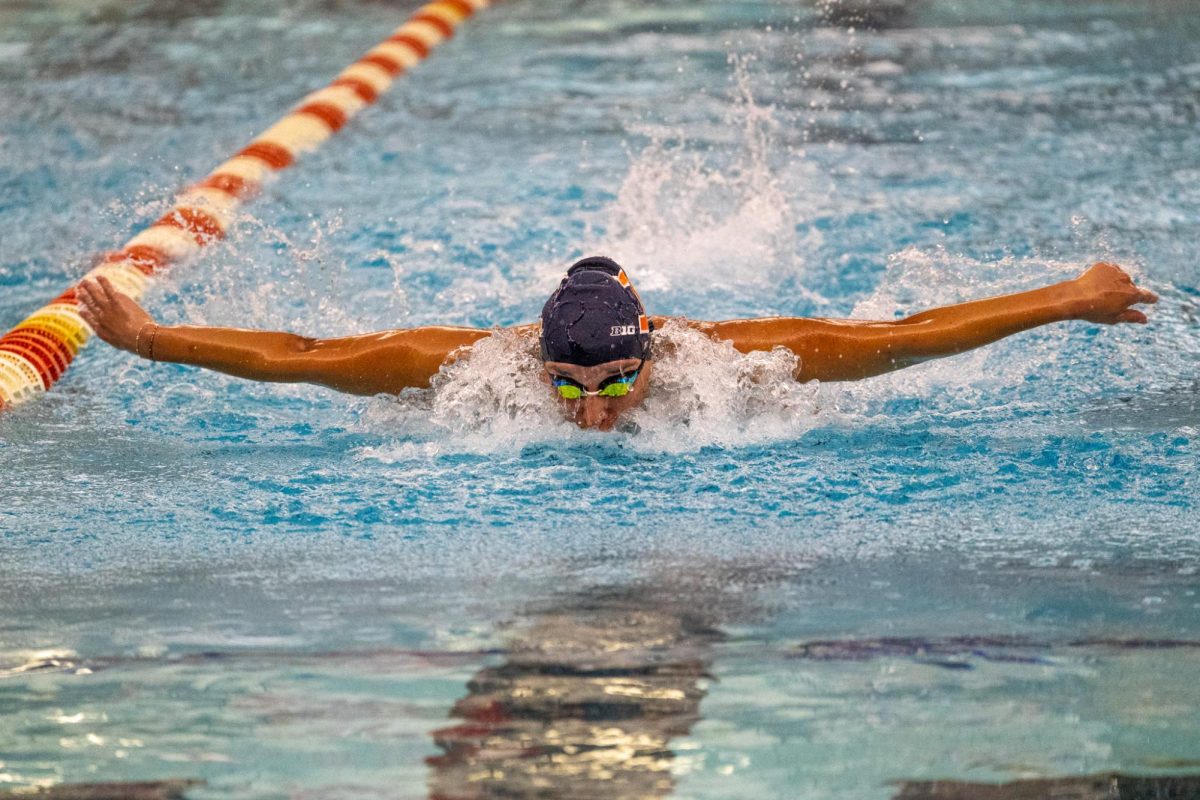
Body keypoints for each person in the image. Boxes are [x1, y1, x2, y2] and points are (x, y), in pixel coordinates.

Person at [77, 256, 1157, 431]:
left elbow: (902, 336)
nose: (595, 410)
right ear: (533, 362)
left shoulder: (718, 358)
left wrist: (1068, 297)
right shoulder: (468, 365)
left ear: (653, 351)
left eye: (618, 379)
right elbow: (305, 355)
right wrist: (153, 337)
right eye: (571, 387)